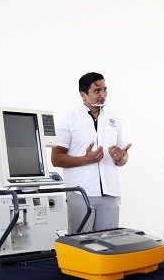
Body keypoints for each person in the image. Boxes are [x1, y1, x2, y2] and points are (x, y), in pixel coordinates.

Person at [52, 72, 132, 234]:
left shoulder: (114, 120)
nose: (103, 95)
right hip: (81, 193)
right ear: (83, 95)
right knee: (81, 245)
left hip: (110, 194)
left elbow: (122, 159)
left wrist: (121, 158)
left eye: (105, 90)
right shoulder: (69, 119)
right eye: (97, 91)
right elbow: (56, 159)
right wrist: (85, 159)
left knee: (109, 245)